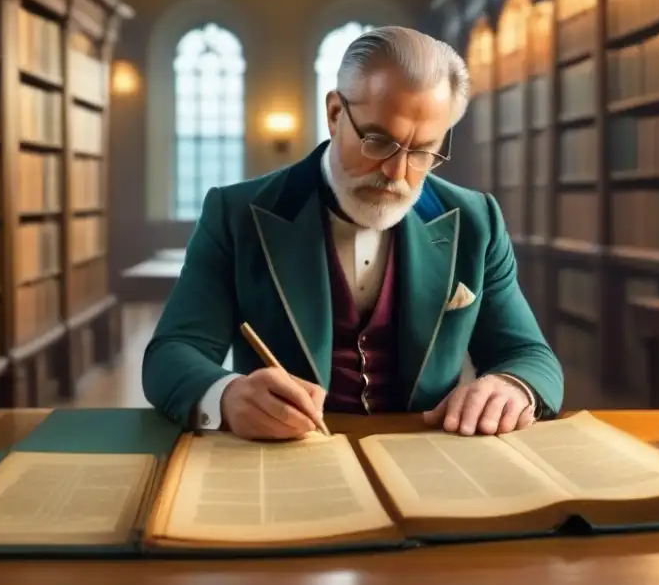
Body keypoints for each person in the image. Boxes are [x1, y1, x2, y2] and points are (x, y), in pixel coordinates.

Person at [142, 26, 563, 441]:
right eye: (379, 141)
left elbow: (530, 356)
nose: (396, 173)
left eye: (422, 152)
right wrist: (227, 395)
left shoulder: (476, 220)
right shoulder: (234, 215)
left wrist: (512, 386)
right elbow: (170, 356)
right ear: (335, 114)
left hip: (429, 463)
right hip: (285, 461)